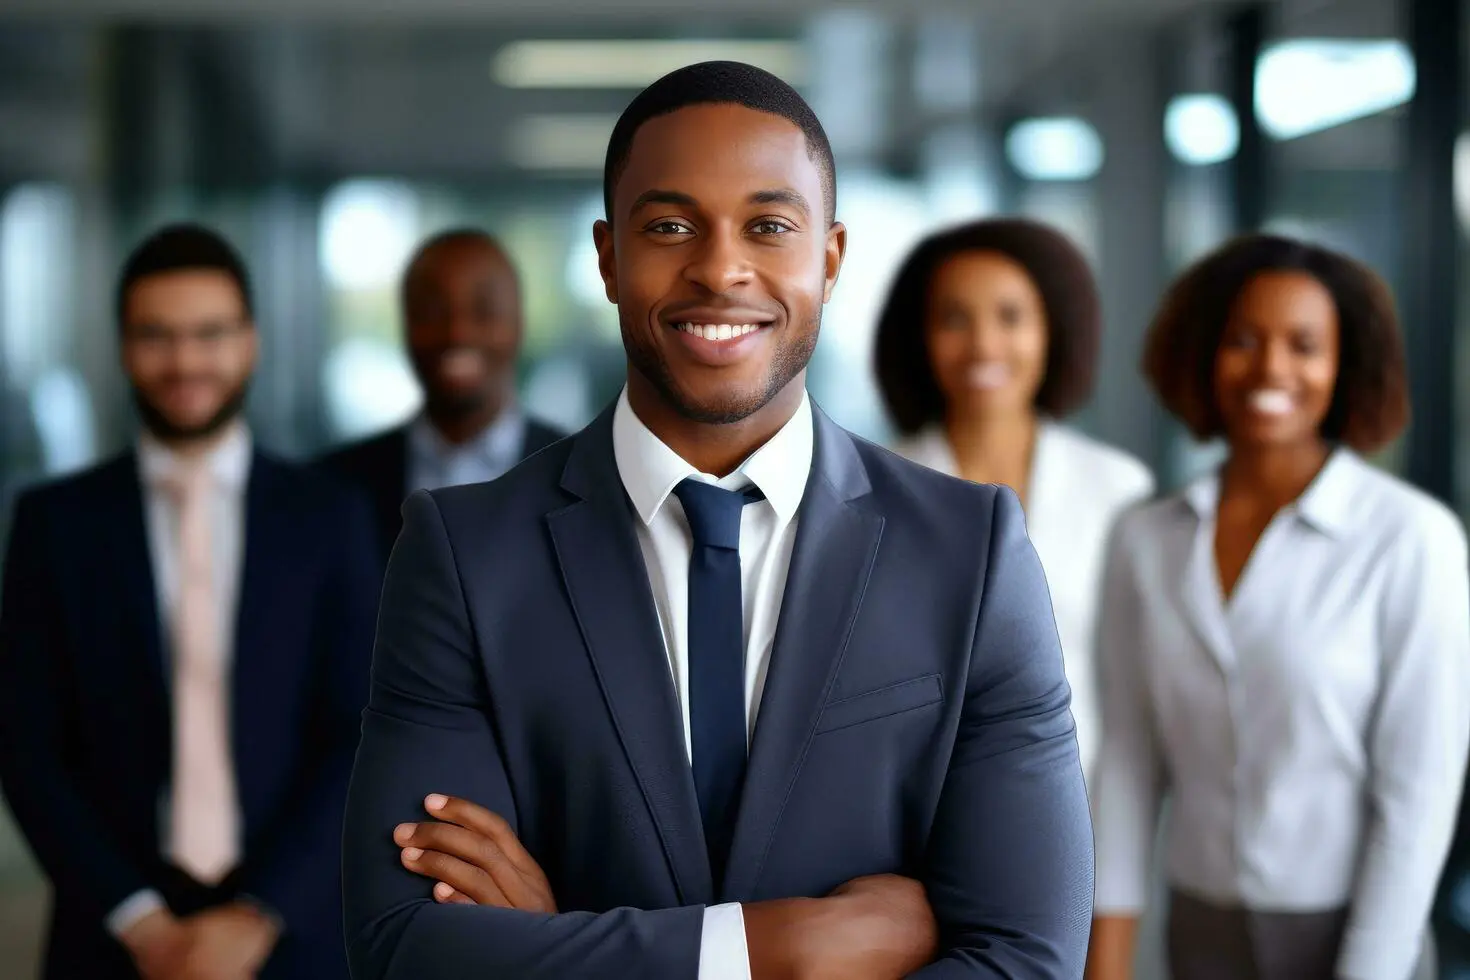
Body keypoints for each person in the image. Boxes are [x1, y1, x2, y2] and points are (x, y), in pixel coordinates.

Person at [341, 61, 1093, 979]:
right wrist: (778, 947)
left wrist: (558, 943)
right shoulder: (462, 555)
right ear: (609, 257)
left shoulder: (971, 554)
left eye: (769, 226)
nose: (720, 267)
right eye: (668, 226)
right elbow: (407, 950)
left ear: (831, 257)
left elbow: (1026, 957)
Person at [0, 224, 382, 979]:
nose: (184, 362)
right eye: (156, 336)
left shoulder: (330, 517)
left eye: (209, 334)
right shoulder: (54, 522)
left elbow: (362, 729)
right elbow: (27, 745)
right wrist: (141, 923)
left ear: (251, 342)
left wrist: (257, 916)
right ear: (121, 346)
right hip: (110, 939)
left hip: (294, 936)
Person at [1086, 233, 1470, 980]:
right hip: (1196, 927)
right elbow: (1128, 764)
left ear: (1346, 364)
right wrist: (1107, 961)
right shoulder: (1145, 538)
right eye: (1242, 340)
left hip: (1357, 934)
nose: (1271, 368)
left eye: (1305, 345)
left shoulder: (1409, 538)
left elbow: (1417, 798)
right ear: (1201, 354)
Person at [876, 218, 1154, 782]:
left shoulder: (1117, 488)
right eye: (954, 318)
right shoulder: (872, 487)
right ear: (919, 337)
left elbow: (1139, 687)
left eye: (1010, 317)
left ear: (1052, 330)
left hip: (1085, 797)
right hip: (921, 802)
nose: (983, 343)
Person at [320, 228, 566, 558]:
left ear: (519, 323)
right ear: (405, 323)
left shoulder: (581, 478)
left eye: (483, 310)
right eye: (433, 311)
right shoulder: (335, 487)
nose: (457, 331)